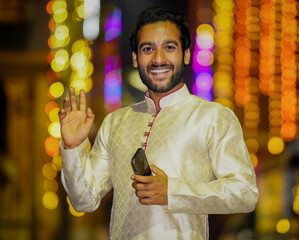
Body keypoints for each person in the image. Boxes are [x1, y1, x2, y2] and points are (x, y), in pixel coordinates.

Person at [59, 7, 259, 240]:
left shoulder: (212, 118)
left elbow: (245, 194)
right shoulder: (115, 123)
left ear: (186, 54)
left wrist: (172, 192)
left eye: (169, 47)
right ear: (135, 58)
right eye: (148, 49)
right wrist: (72, 148)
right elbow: (84, 200)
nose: (158, 58)